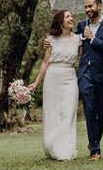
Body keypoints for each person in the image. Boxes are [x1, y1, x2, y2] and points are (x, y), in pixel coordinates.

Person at [45, 0, 103, 161]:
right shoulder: (81, 25)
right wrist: (49, 42)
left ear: (99, 6)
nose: (87, 10)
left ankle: (94, 141)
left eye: (90, 6)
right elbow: (68, 40)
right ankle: (95, 150)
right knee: (90, 110)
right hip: (85, 74)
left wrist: (93, 39)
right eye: (85, 7)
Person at [29, 10, 81, 161]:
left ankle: (66, 150)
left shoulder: (78, 40)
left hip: (70, 77)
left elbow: (85, 58)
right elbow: (46, 62)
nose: (71, 18)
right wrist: (36, 82)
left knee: (69, 113)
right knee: (53, 114)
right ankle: (52, 147)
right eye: (68, 16)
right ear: (61, 21)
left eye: (72, 16)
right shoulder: (50, 40)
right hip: (53, 78)